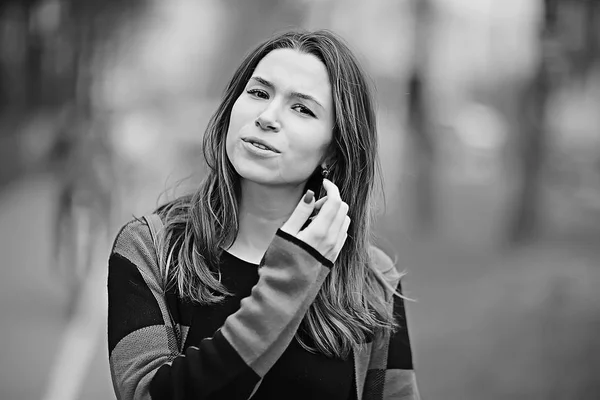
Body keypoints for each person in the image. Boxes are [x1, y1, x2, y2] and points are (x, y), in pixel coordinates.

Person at [107, 29, 420, 400]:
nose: (268, 117)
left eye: (302, 108)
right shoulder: (151, 249)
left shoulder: (373, 281)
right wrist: (292, 279)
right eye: (258, 93)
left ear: (333, 152)